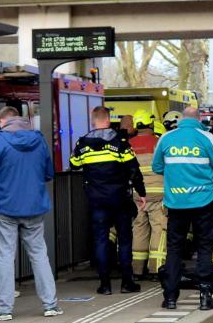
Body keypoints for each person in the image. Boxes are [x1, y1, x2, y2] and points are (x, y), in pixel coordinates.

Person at [0, 107, 63, 320]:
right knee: (39, 254)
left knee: (6, 255)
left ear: (4, 121)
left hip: (4, 206)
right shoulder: (39, 141)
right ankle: (51, 304)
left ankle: (4, 308)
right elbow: (48, 173)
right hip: (34, 206)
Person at [152, 107, 213, 310]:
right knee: (204, 247)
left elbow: (157, 167)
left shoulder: (166, 138)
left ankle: (170, 297)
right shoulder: (207, 138)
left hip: (175, 203)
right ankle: (204, 296)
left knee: (174, 249)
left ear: (181, 119)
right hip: (203, 201)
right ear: (199, 119)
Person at [70, 106, 145, 295]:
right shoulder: (119, 141)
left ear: (93, 120)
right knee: (125, 240)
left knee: (101, 241)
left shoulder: (83, 143)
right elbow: (133, 168)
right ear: (108, 119)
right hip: (120, 198)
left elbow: (74, 164)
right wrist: (141, 192)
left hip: (96, 200)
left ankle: (105, 285)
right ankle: (127, 283)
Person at [129, 110, 167, 281]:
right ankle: (156, 269)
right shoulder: (159, 143)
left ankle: (137, 270)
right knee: (159, 230)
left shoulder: (129, 144)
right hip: (159, 195)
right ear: (151, 123)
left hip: (137, 195)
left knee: (139, 229)